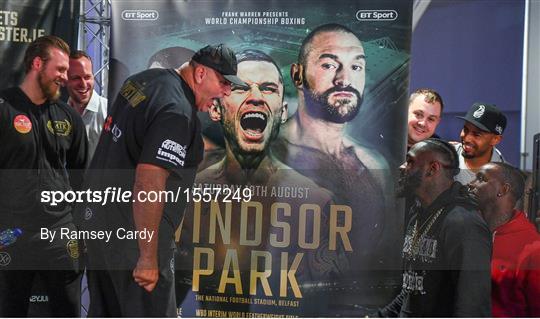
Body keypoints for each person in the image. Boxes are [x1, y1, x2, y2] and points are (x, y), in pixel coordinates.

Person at [77, 44, 245, 317]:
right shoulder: (176, 111)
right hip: (135, 243)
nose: (226, 92)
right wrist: (147, 257)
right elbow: (149, 184)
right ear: (200, 73)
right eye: (224, 82)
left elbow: (111, 150)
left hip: (101, 231)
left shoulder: (141, 81)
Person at [177, 49, 335, 316]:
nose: (256, 98)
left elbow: (322, 298)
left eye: (268, 88)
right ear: (215, 109)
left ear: (282, 112)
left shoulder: (316, 201)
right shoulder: (190, 195)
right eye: (240, 88)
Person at [272, 23, 396, 291]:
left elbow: (375, 260)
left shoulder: (374, 164)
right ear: (297, 74)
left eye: (356, 67)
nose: (345, 79)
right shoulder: (264, 155)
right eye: (329, 65)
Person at [0, 35, 87, 317]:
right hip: (11, 234)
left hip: (60, 235)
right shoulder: (4, 108)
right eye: (60, 70)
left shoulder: (69, 118)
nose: (64, 78)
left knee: (67, 311)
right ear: (37, 64)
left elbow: (81, 179)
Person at [377, 138, 492, 317]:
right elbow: (410, 294)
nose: (401, 167)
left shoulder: (464, 224)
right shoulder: (419, 214)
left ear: (432, 169)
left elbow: (472, 307)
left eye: (410, 161)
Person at [468, 162, 540, 317]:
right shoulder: (467, 231)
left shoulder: (533, 249)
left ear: (503, 189)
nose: (470, 184)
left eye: (481, 179)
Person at [66, 50, 108, 160]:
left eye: (87, 77)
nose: (83, 84)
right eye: (76, 78)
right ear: (65, 80)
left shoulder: (110, 111)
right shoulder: (58, 114)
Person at [452, 102, 506, 185]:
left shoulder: (503, 176)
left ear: (495, 139)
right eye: (465, 130)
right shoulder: (445, 156)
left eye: (477, 134)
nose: (467, 138)